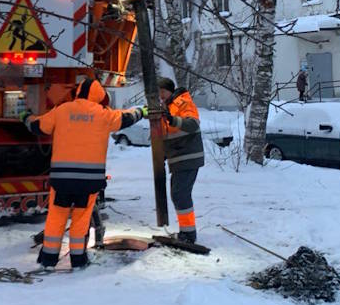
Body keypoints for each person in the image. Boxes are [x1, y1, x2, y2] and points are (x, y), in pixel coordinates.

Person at [22, 78, 146, 269]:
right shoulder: (104, 114)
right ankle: (78, 260)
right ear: (98, 96)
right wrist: (142, 111)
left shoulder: (63, 110)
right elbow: (127, 118)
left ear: (79, 92)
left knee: (56, 217)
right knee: (81, 219)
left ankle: (48, 259)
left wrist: (25, 116)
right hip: (89, 180)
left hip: (62, 179)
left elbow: (38, 127)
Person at [157, 77, 204, 243]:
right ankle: (186, 232)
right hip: (179, 158)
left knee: (180, 194)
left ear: (170, 91)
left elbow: (193, 125)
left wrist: (172, 119)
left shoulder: (183, 103)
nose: (160, 95)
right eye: (159, 92)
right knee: (178, 195)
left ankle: (188, 234)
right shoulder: (168, 107)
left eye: (162, 92)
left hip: (188, 156)